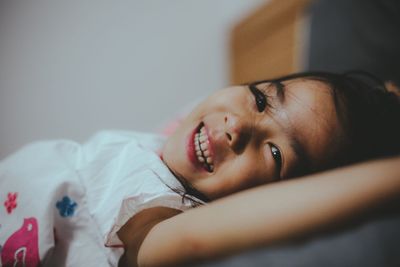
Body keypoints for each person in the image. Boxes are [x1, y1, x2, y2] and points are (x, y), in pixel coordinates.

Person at [0, 71, 398, 267]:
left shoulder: (160, 221)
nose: (236, 127)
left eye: (276, 154)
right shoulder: (173, 145)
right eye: (260, 99)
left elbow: (199, 241)